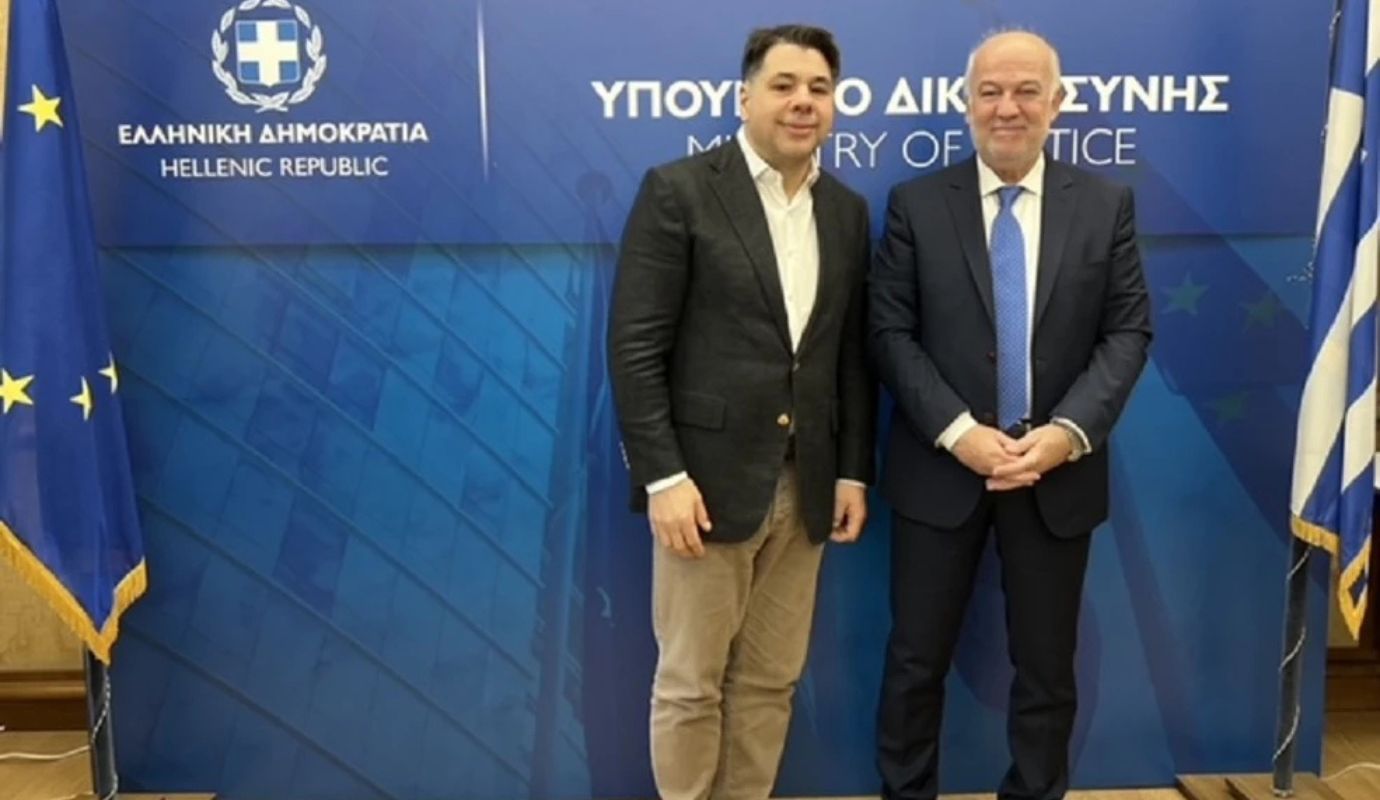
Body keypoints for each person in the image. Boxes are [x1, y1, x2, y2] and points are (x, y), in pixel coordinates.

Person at [869, 30, 1153, 800]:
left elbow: (1128, 332)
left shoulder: (1106, 206)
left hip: (1056, 476)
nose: (1007, 107)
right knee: (914, 662)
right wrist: (960, 434)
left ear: (1056, 103)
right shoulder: (916, 205)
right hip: (940, 473)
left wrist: (1067, 434)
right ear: (966, 104)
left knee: (1048, 670)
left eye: (1027, 90)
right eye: (990, 91)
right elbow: (888, 333)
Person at [607, 23, 876, 800]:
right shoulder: (680, 190)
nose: (803, 102)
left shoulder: (846, 211)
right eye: (784, 85)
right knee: (690, 684)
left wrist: (852, 471)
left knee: (770, 682)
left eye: (819, 88)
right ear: (745, 96)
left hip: (807, 489)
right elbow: (634, 345)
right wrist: (662, 477)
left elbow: (849, 355)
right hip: (704, 490)